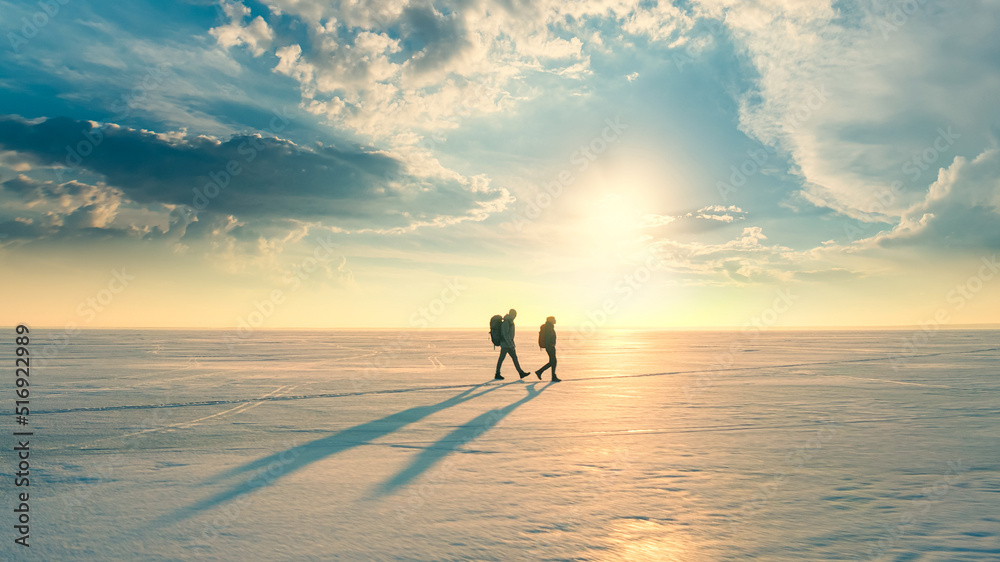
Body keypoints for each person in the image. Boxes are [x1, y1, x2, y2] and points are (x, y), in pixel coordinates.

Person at [495, 309, 532, 380]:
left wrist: (511, 343)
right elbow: (505, 334)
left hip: (509, 344)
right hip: (506, 344)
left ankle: (521, 373)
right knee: (501, 359)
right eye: (514, 315)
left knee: (514, 358)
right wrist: (510, 344)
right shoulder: (506, 322)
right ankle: (497, 374)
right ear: (511, 314)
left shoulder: (510, 322)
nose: (515, 316)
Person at [534, 316, 561, 382]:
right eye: (554, 319)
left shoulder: (549, 326)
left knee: (552, 361)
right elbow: (548, 338)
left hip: (550, 346)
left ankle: (540, 372)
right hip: (550, 347)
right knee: (553, 361)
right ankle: (551, 376)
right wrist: (550, 346)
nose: (555, 320)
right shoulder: (549, 327)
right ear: (551, 320)